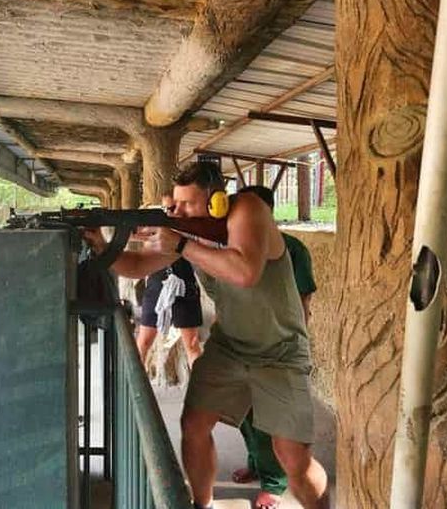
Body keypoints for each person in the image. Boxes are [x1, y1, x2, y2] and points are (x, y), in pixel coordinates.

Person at [84, 161, 329, 509]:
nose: (177, 211)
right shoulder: (187, 231)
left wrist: (182, 243)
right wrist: (100, 246)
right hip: (230, 346)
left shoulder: (248, 209)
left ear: (217, 202)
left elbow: (245, 272)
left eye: (187, 205)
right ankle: (203, 505)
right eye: (176, 204)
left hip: (281, 353)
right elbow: (138, 267)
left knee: (293, 459)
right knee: (194, 425)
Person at [230, 185, 318, 509]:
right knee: (244, 413)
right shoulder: (238, 244)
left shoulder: (292, 250)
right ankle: (256, 463)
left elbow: (304, 300)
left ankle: (275, 484)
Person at [136, 194, 203, 367]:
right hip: (156, 286)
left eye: (173, 208)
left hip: (185, 286)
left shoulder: (192, 229)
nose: (170, 213)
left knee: (192, 345)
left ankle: (197, 389)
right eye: (165, 209)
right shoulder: (155, 230)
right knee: (143, 342)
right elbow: (140, 243)